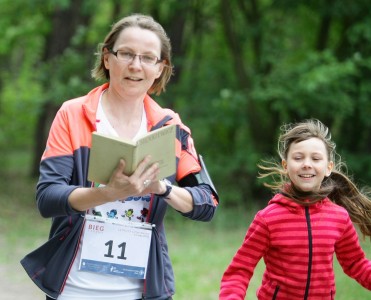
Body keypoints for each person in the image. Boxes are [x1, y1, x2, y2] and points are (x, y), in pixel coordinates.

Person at [21, 14, 219, 300]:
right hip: (75, 289)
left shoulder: (170, 126)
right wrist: (109, 193)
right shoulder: (73, 114)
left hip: (142, 291)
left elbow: (207, 202)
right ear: (107, 58)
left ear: (160, 68)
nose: (135, 66)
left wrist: (162, 188)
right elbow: (48, 198)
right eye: (126, 53)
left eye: (148, 58)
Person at [219, 119, 371, 299]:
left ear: (328, 167)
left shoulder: (339, 217)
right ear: (286, 166)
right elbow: (239, 270)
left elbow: (356, 263)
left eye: (315, 158)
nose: (307, 164)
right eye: (298, 158)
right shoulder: (268, 218)